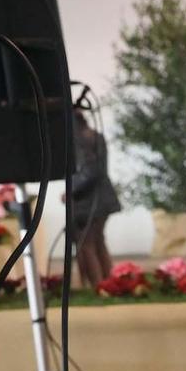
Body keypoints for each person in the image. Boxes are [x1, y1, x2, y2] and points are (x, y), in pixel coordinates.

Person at [67, 107, 119, 290]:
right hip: (104, 196)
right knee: (98, 241)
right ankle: (111, 283)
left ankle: (98, 285)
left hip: (88, 200)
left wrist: (70, 190)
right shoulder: (96, 136)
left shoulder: (79, 140)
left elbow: (89, 172)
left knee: (86, 243)